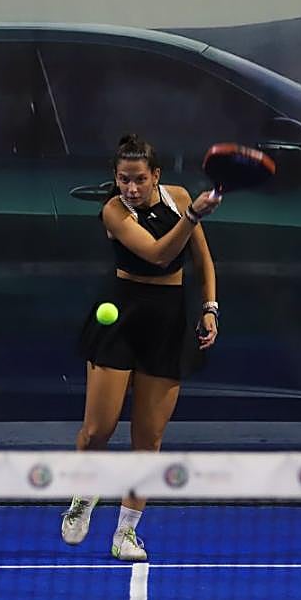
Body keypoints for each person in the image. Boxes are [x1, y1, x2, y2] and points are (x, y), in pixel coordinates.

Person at [61, 134, 221, 561]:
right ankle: (83, 494)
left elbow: (201, 258)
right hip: (121, 317)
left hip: (167, 321)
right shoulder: (113, 211)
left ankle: (125, 534)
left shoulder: (178, 197)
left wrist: (210, 307)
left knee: (148, 440)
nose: (130, 188)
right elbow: (156, 254)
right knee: (99, 430)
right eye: (122, 180)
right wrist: (191, 215)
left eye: (138, 180)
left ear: (156, 177)